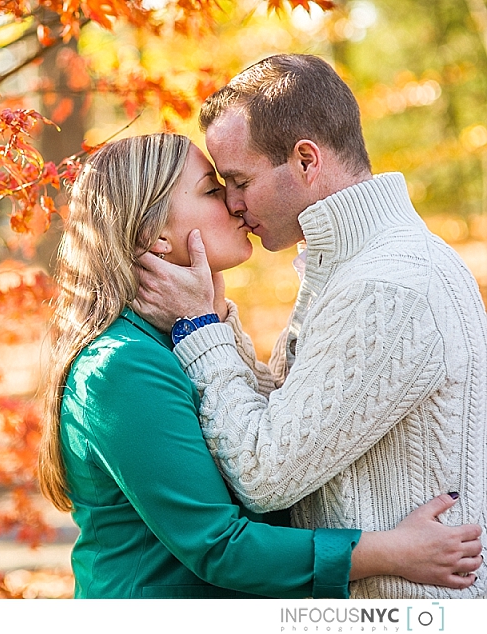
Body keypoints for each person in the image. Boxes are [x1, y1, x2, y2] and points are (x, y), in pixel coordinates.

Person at [37, 132, 483, 599]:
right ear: (153, 236)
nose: (234, 204)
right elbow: (219, 545)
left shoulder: (183, 337)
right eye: (213, 190)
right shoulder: (122, 367)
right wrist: (390, 552)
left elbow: (273, 449)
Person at [133, 55, 487, 598]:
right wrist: (217, 323)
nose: (231, 203)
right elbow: (294, 427)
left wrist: (197, 328)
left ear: (304, 160)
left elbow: (264, 474)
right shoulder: (347, 266)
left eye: (240, 180)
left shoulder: (389, 286)